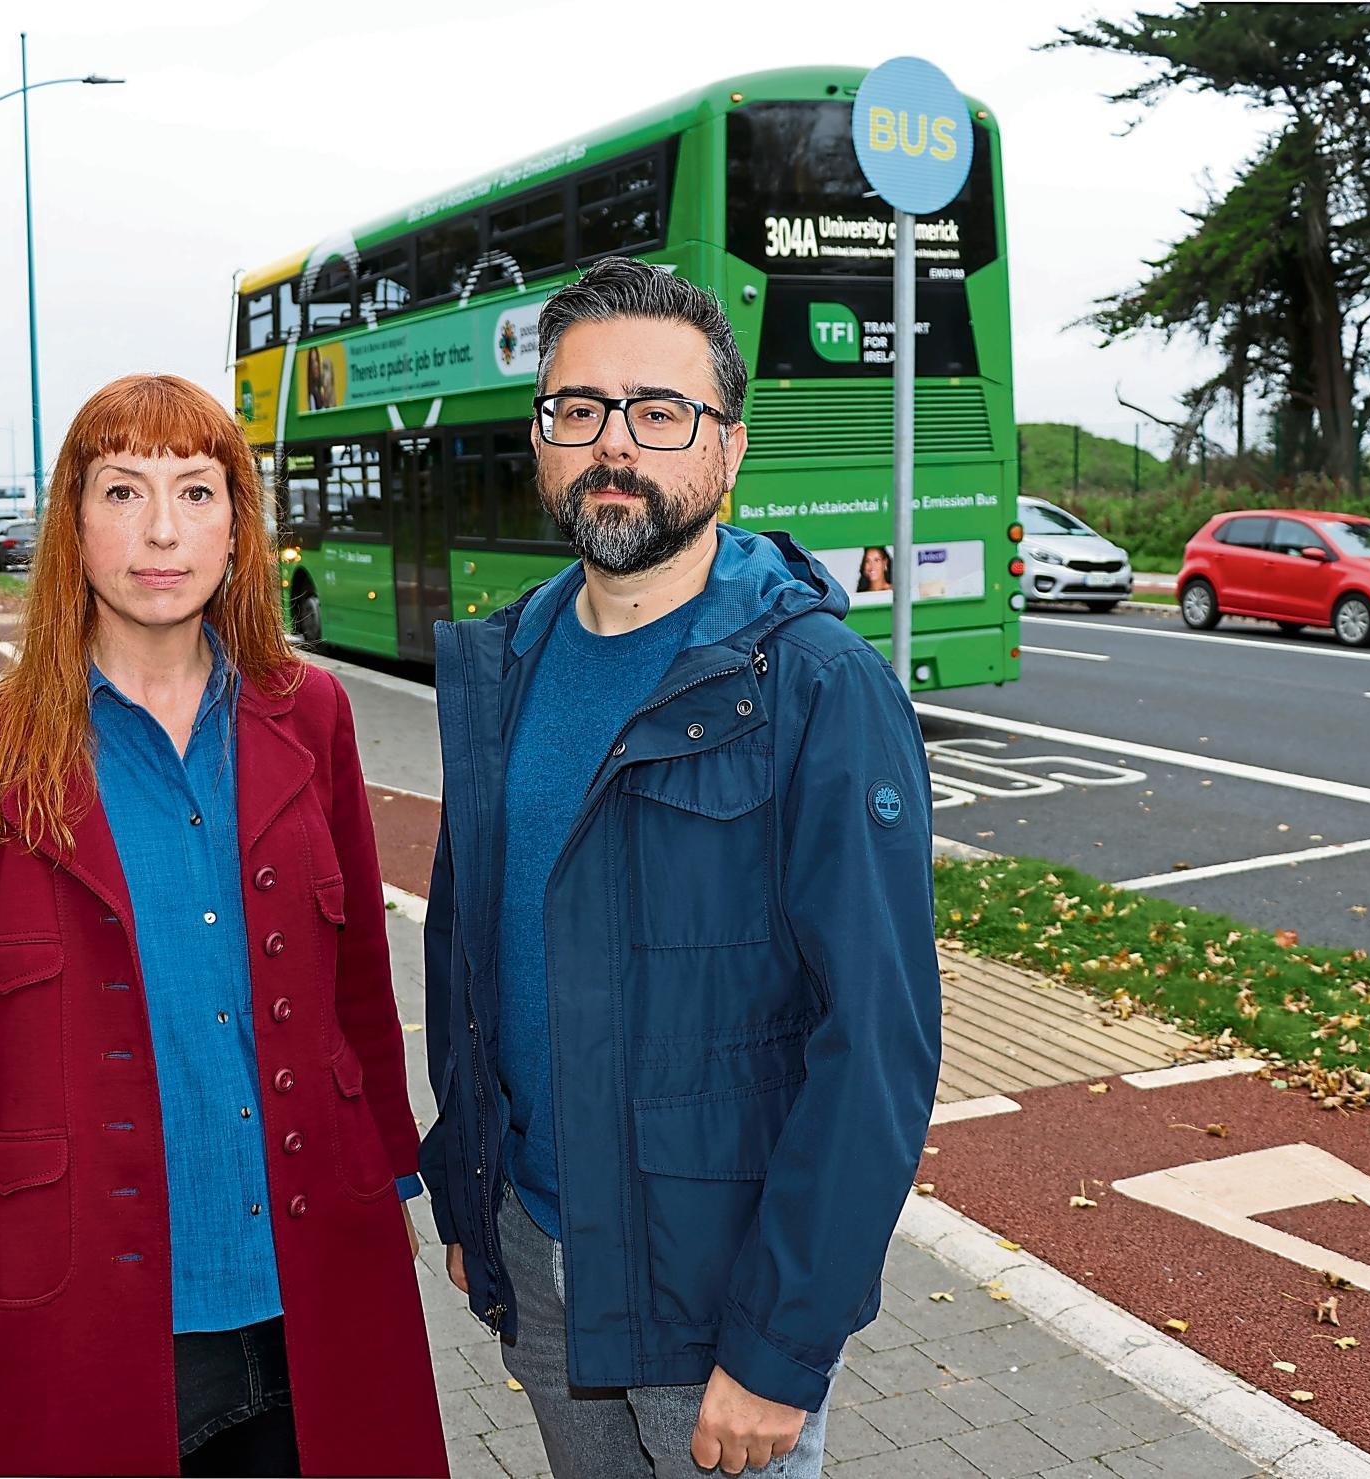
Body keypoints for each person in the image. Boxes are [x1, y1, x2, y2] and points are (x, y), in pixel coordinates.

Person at [420, 257, 942, 1479]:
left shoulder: (817, 685)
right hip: (539, 1253)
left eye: (660, 412)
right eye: (580, 409)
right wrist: (470, 1193)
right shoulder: (503, 666)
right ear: (540, 437)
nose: (615, 443)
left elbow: (878, 1039)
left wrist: (783, 1345)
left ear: (729, 447)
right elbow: (465, 949)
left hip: (717, 1297)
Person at [0, 374, 447, 1478]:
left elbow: (358, 983)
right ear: (73, 522)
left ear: (237, 525)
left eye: (195, 491)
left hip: (314, 1279)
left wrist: (388, 1171)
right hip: (80, 1300)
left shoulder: (311, 715)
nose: (161, 530)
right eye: (122, 490)